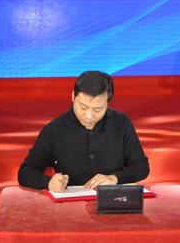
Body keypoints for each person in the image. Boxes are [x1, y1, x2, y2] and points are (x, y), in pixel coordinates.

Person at [18, 70, 149, 191]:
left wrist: (114, 178)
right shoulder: (54, 130)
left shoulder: (121, 122)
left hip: (113, 201)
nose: (89, 116)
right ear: (73, 96)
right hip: (71, 203)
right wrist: (49, 183)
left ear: (108, 103)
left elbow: (141, 166)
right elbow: (25, 172)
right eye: (83, 107)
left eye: (97, 109)